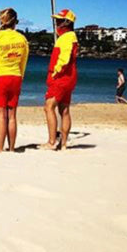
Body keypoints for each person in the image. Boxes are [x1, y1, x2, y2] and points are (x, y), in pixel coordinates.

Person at [0, 8, 29, 153]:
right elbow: (24, 61)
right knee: (12, 116)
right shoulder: (22, 39)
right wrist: (20, 76)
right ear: (15, 22)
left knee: (1, 117)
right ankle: (12, 148)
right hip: (15, 77)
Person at [42, 8, 79, 150]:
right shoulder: (68, 37)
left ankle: (52, 142)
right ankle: (63, 143)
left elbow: (65, 58)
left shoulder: (67, 37)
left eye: (59, 20)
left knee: (48, 107)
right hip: (68, 77)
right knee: (64, 110)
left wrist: (56, 72)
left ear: (66, 22)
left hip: (62, 77)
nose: (56, 23)